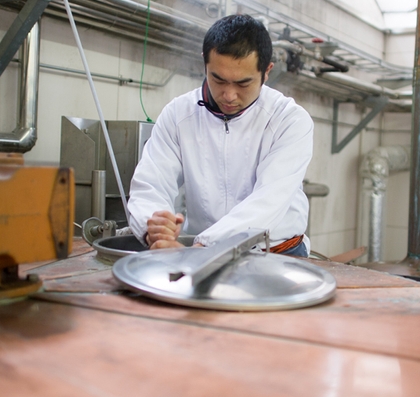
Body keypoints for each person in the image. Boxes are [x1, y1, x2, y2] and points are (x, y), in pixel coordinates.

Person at [127, 14, 314, 257]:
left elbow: (269, 202)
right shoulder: (179, 115)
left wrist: (204, 247)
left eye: (243, 84)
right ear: (204, 62)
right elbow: (150, 184)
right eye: (217, 79)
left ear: (266, 71)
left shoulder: (289, 120)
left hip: (277, 254)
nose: (228, 95)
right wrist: (154, 226)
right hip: (199, 251)